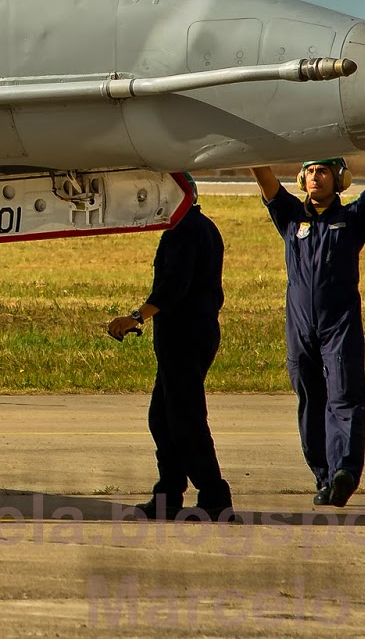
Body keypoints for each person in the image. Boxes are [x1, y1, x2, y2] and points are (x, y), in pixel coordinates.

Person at [250, 152, 365, 508]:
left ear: (339, 178)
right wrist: (252, 151)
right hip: (300, 325)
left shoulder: (352, 217)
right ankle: (324, 476)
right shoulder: (290, 216)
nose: (316, 178)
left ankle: (344, 470)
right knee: (310, 399)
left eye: (323, 172)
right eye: (310, 172)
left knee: (344, 395)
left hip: (340, 323)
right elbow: (265, 178)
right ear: (302, 179)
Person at [107, 176, 233, 520]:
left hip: (186, 337)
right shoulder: (197, 226)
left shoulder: (186, 231)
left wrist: (136, 317)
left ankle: (214, 497)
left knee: (185, 420)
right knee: (162, 419)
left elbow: (174, 286)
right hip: (188, 336)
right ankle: (168, 496)